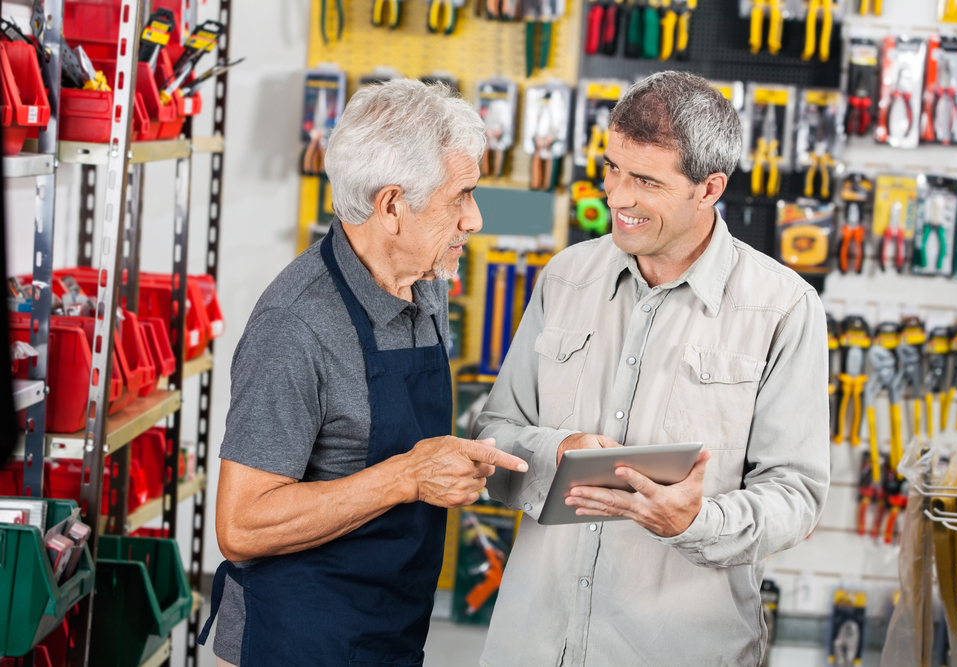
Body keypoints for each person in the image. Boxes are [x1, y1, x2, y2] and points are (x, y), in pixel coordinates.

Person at [474, 71, 831, 667]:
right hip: (533, 644)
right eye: (612, 168)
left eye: (645, 180)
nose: (616, 197)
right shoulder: (564, 278)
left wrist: (696, 521)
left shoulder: (783, 309)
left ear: (709, 188)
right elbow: (495, 435)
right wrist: (555, 453)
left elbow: (795, 497)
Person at [197, 78, 528, 667]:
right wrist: (405, 477)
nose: (474, 220)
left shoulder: (424, 284)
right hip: (295, 641)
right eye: (461, 196)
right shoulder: (295, 327)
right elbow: (241, 524)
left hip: (391, 633)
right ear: (392, 206)